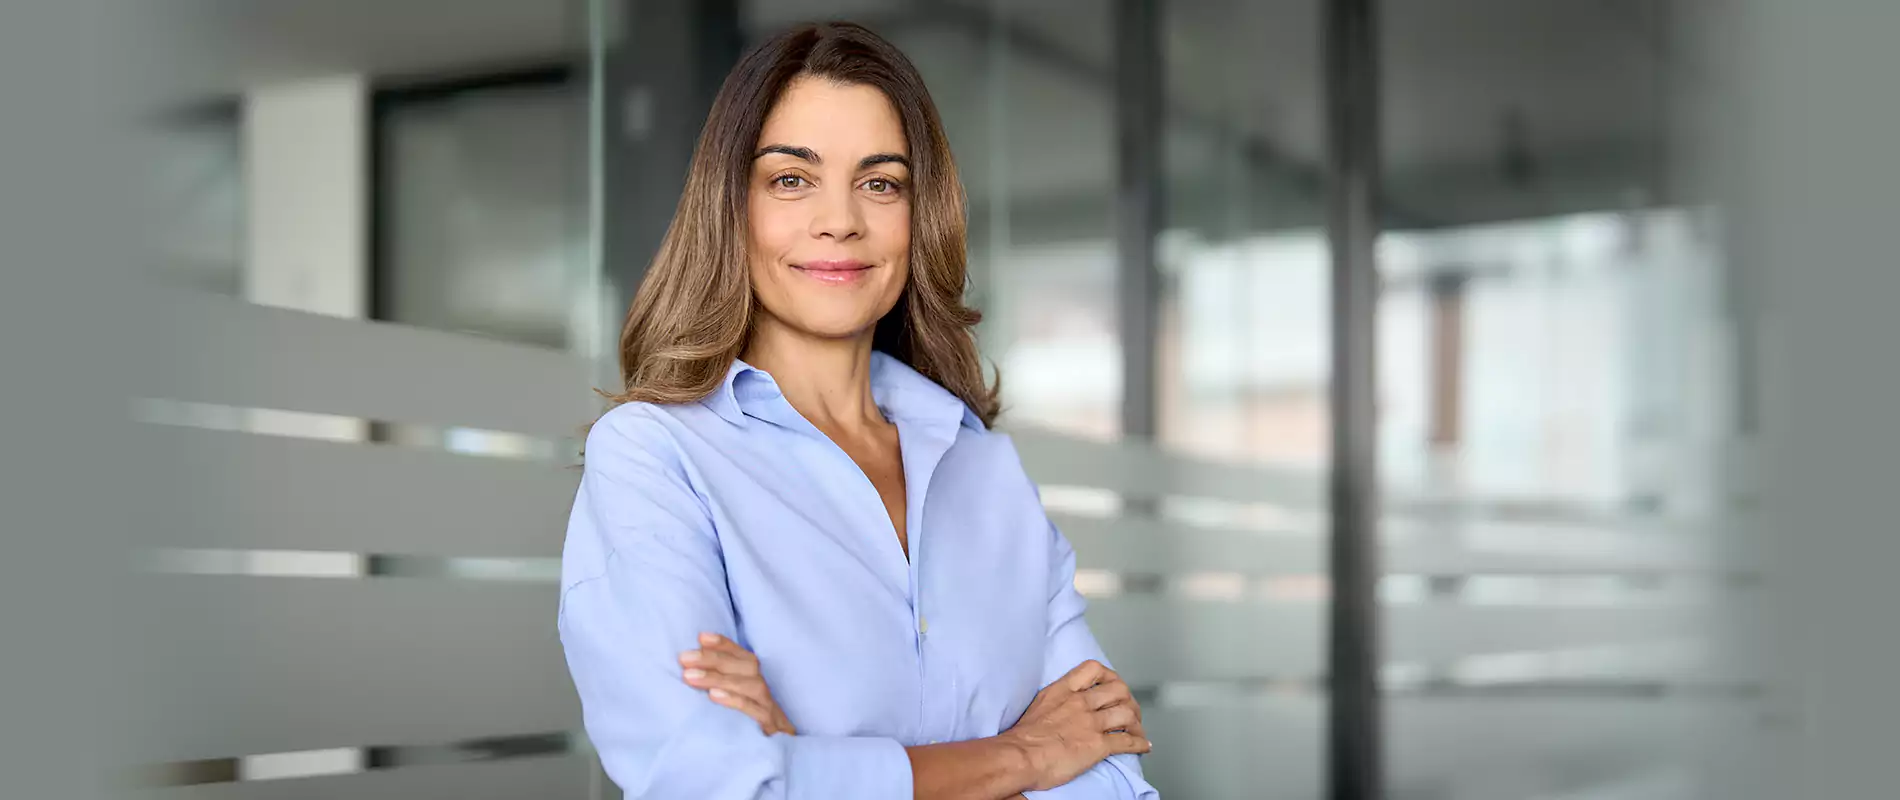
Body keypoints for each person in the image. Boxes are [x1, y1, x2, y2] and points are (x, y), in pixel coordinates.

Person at [557, 21, 1157, 800]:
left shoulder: (984, 467)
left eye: (880, 183)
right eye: (791, 179)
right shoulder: (654, 458)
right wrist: (1021, 758)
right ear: (730, 208)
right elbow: (712, 784)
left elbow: (1111, 776)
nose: (839, 220)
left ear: (920, 216)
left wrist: (808, 758)